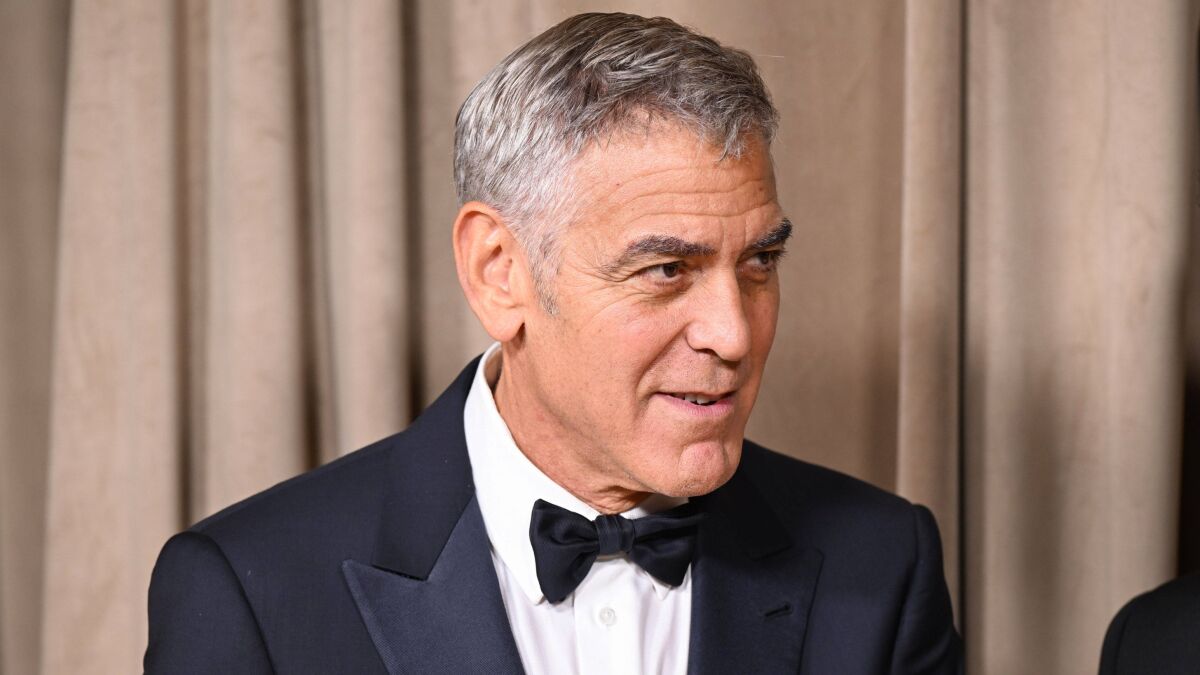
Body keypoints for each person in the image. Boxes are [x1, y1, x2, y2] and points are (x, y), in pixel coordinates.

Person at [144, 12, 961, 674]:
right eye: (666, 269)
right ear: (499, 273)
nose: (734, 333)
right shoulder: (249, 591)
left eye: (759, 263)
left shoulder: (885, 564)